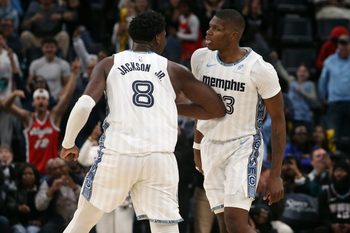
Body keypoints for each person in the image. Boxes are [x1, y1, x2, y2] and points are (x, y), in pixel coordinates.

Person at [59, 11, 225, 233]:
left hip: (118, 153)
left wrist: (68, 142)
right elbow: (216, 108)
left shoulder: (109, 64)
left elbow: (84, 105)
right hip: (160, 158)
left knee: (82, 223)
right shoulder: (174, 70)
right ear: (158, 37)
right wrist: (171, 107)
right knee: (164, 228)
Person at [191, 9, 285, 233]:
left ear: (234, 35)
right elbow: (200, 108)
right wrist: (197, 146)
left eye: (217, 29)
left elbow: (279, 121)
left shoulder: (260, 69)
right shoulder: (200, 58)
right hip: (210, 146)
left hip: (243, 146)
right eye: (210, 26)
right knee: (224, 224)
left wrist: (276, 175)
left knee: (235, 222)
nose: (209, 31)